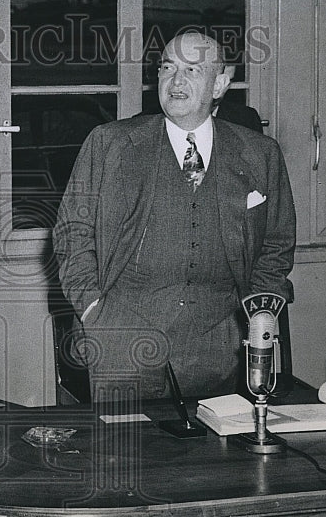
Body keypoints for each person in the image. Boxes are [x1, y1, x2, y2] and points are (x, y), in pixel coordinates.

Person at [53, 33, 296, 402]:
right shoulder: (110, 144)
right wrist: (94, 312)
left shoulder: (260, 154)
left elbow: (276, 246)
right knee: (126, 455)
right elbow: (72, 233)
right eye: (168, 67)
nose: (176, 81)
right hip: (122, 344)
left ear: (220, 83)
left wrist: (258, 312)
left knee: (218, 459)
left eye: (192, 70)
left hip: (221, 348)